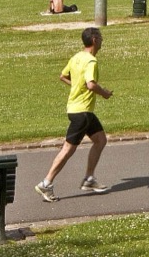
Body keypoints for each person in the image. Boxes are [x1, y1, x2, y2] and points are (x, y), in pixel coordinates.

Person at [36, 27, 112, 201]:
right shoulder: (91, 61)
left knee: (100, 140)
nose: (102, 40)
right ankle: (46, 184)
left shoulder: (76, 57)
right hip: (82, 112)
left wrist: (76, 86)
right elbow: (91, 84)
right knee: (68, 149)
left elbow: (63, 76)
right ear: (94, 40)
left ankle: (89, 179)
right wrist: (105, 93)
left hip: (78, 109)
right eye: (100, 37)